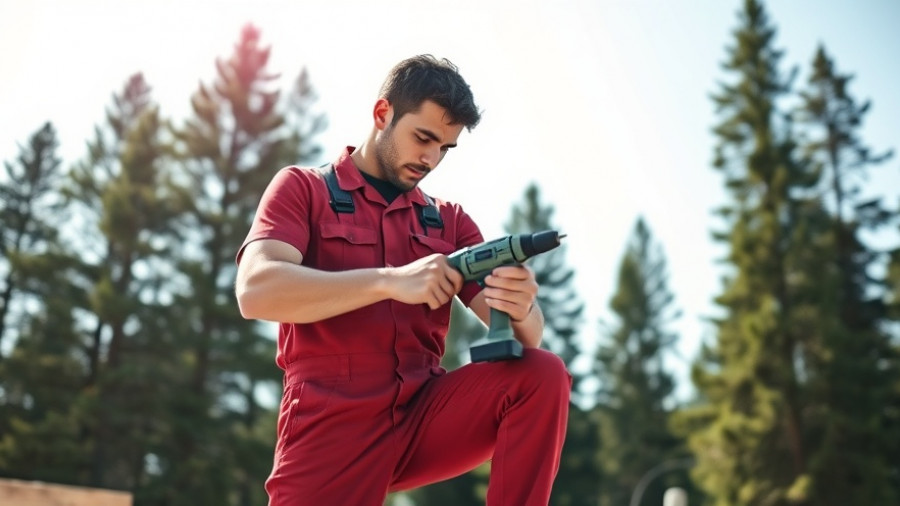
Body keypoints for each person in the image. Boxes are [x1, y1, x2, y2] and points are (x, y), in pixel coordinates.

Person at [235, 55, 571, 506]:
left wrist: (523, 306)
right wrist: (390, 281)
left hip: (424, 416)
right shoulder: (302, 188)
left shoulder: (450, 222)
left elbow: (525, 339)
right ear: (382, 114)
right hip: (330, 423)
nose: (431, 158)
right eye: (423, 138)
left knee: (542, 373)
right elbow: (256, 291)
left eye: (445, 148)